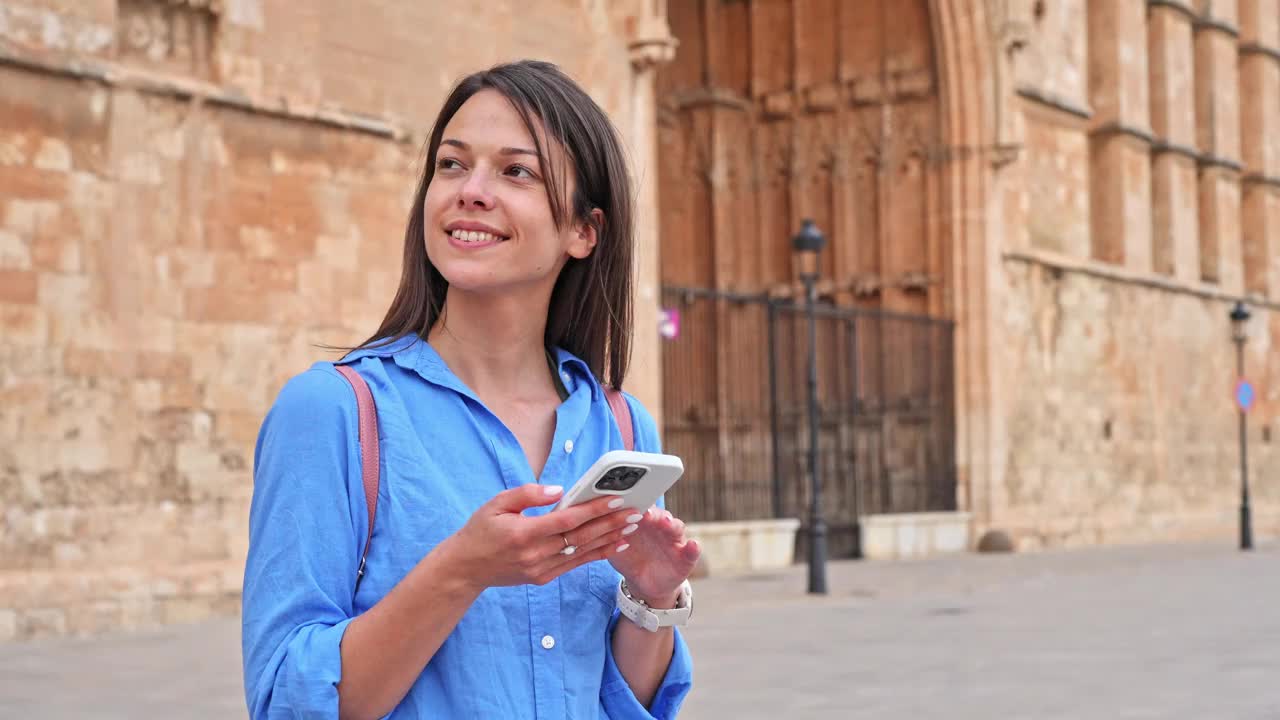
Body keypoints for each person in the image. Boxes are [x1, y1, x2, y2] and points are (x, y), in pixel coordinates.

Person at [240, 59, 701, 720]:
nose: (470, 190)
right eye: (452, 165)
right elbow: (288, 700)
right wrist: (460, 570)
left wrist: (653, 597)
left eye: (517, 171)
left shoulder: (623, 430)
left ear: (584, 230)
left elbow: (625, 702)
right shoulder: (335, 413)